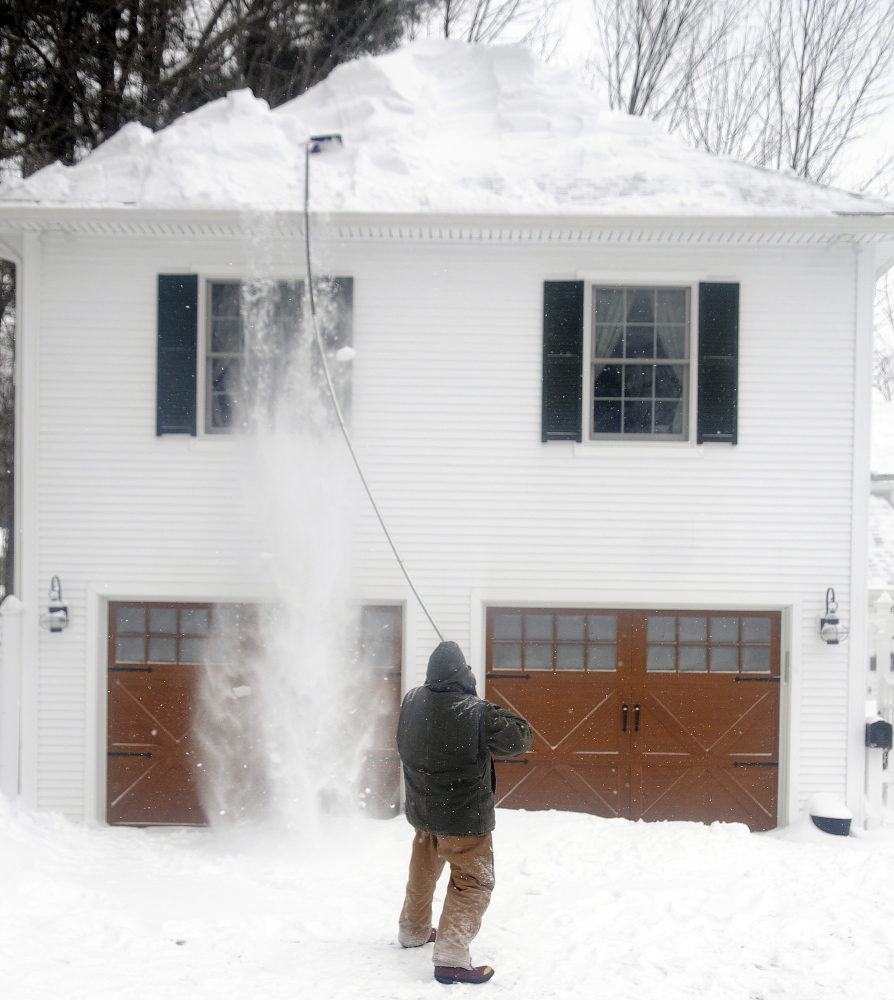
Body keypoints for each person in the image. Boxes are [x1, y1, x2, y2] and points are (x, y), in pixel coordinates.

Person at [396, 640, 532, 985]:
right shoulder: (475, 711)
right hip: (463, 819)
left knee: (423, 870)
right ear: (462, 674)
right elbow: (519, 738)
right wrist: (480, 701)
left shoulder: (411, 700)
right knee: (474, 881)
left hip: (424, 811)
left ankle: (413, 930)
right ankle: (452, 958)